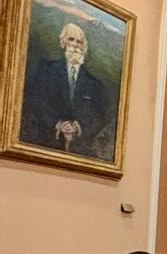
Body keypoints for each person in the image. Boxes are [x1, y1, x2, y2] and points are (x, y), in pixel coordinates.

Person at [21, 22, 109, 158]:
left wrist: (78, 127)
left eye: (79, 41)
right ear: (63, 43)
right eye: (71, 39)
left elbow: (99, 115)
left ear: (84, 47)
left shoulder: (95, 84)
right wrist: (58, 124)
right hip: (44, 146)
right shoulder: (46, 69)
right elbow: (35, 101)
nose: (74, 45)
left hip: (80, 153)